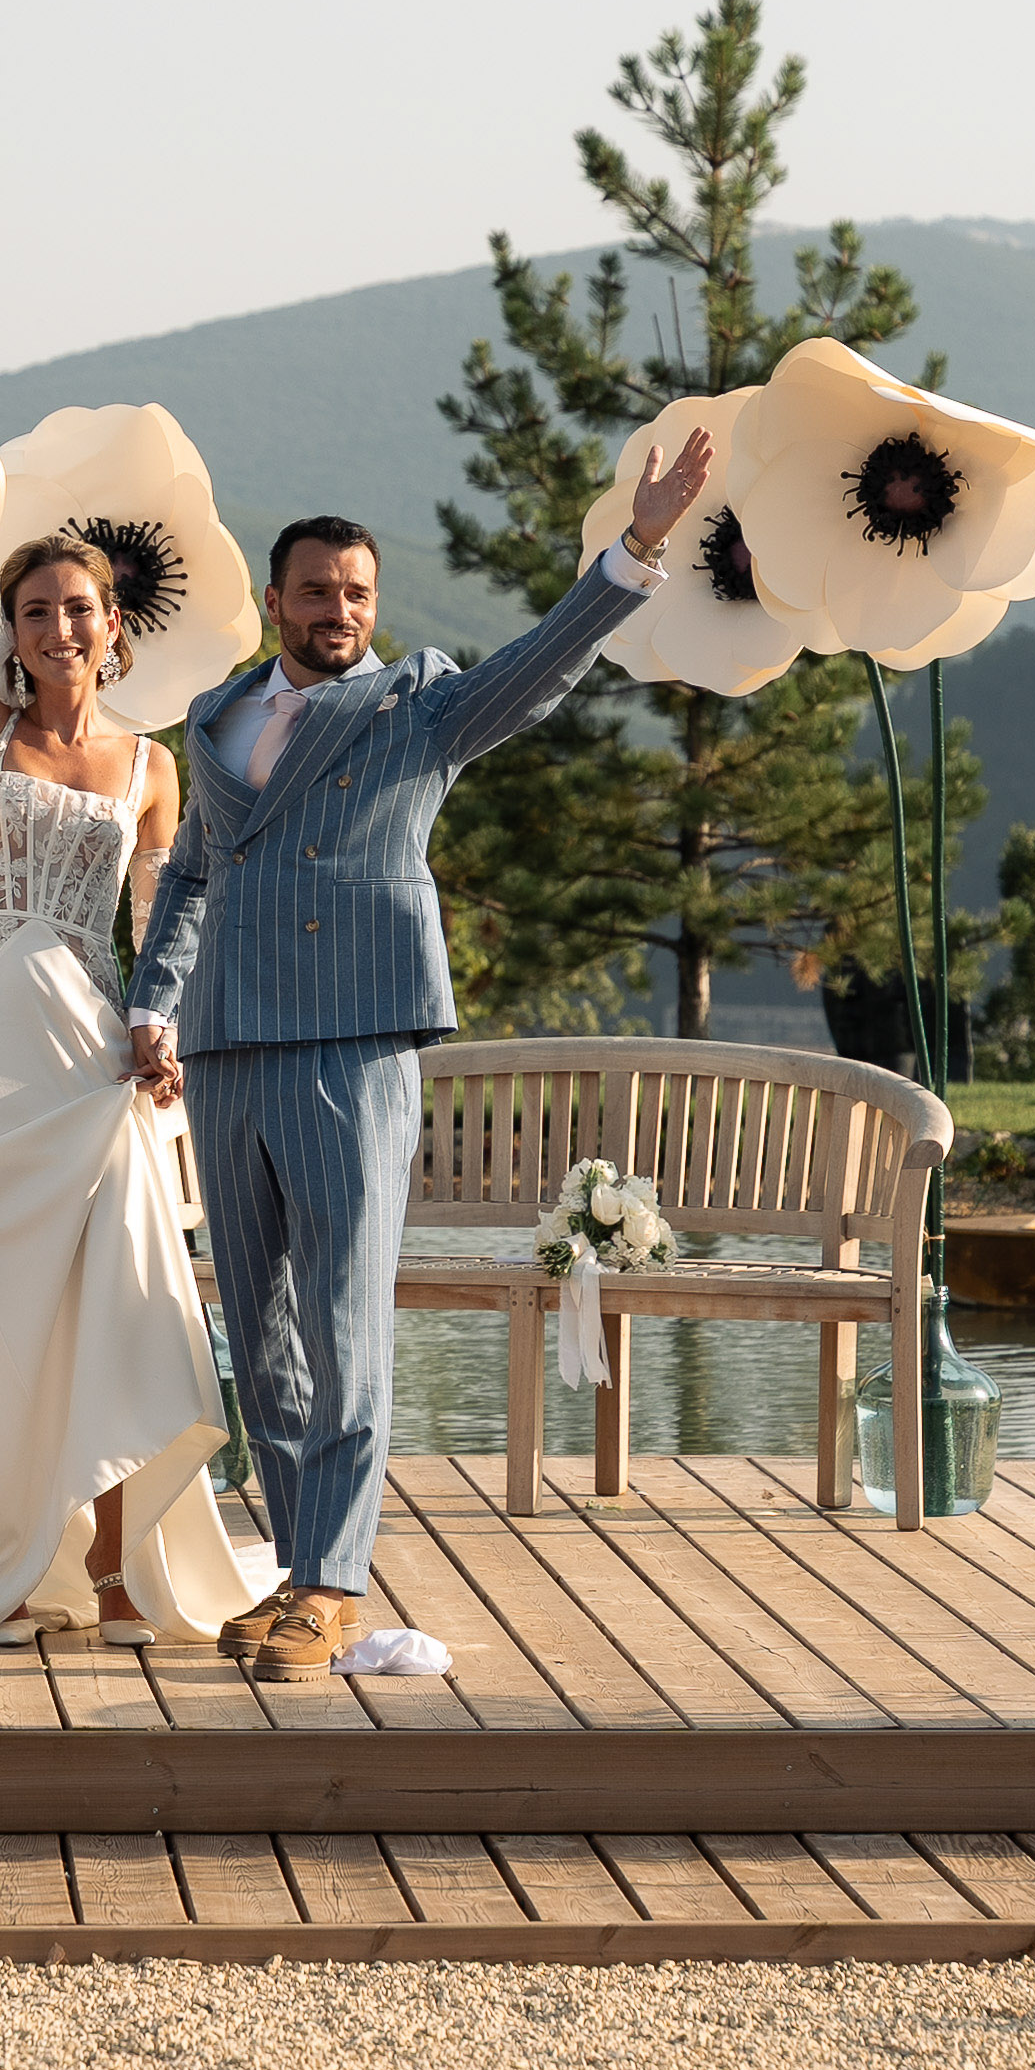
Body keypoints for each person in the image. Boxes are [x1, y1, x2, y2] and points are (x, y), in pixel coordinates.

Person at [123, 440, 710, 1682]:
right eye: (318, 592)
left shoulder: (416, 709)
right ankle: (299, 1569)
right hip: (226, 1043)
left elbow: (537, 666)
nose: (340, 611)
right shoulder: (217, 715)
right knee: (262, 1332)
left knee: (343, 1323)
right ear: (276, 602)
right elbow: (185, 877)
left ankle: (335, 1580)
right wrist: (153, 1003)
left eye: (358, 593)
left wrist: (636, 553)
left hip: (350, 1042)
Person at [0, 300, 259, 1642]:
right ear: (13, 630)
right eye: (34, 608)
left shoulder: (151, 770)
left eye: (77, 605)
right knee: (4, 1320)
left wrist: (165, 1034)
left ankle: (106, 1569)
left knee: (124, 1301)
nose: (57, 624)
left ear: (110, 623)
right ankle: (17, 1570)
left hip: (91, 1057)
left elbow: (164, 928)